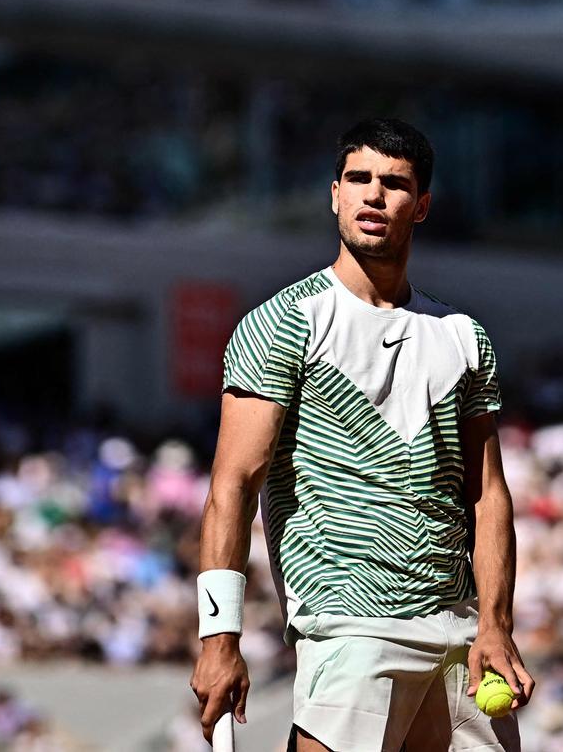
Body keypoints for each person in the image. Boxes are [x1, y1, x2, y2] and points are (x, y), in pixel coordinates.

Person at [191, 118, 532, 752]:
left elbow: (488, 493)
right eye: (359, 179)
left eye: (395, 184)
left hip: (461, 639)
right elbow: (231, 487)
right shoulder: (284, 322)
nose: (374, 195)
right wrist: (220, 639)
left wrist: (496, 623)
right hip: (350, 627)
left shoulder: (462, 334)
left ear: (421, 205)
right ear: (334, 194)